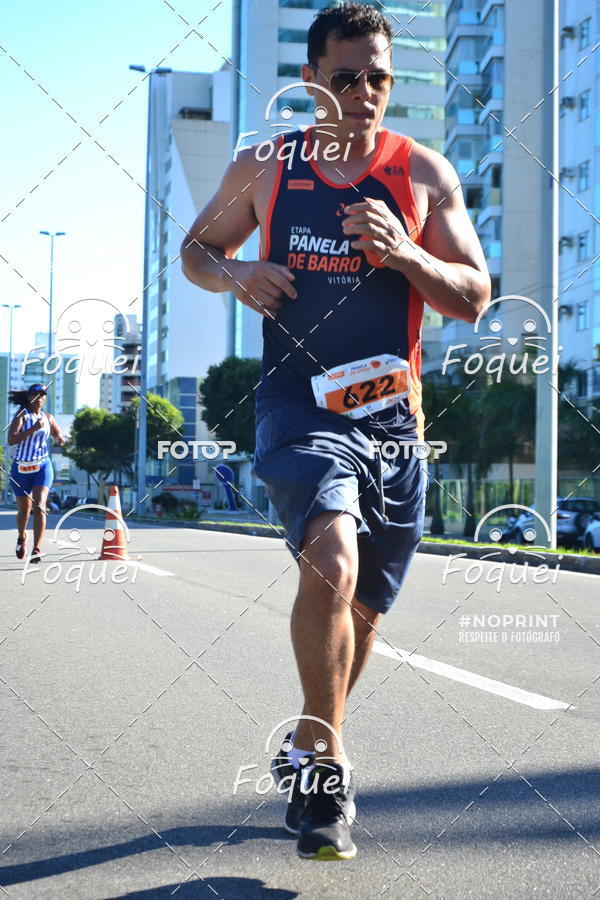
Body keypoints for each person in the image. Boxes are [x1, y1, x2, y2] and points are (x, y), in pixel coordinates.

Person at [181, 2, 490, 860]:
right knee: (332, 557)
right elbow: (196, 252)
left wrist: (405, 253)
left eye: (378, 77)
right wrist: (238, 272)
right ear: (311, 79)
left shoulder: (422, 173)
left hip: (393, 419)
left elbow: (474, 296)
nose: (364, 93)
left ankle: (308, 740)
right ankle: (327, 772)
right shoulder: (266, 165)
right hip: (297, 403)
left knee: (364, 608)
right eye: (345, 77)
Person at [7, 384, 65, 562]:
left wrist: (60, 438)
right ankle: (21, 537)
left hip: (42, 466)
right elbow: (11, 439)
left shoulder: (48, 417)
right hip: (21, 468)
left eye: (43, 395)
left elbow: (56, 432)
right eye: (36, 394)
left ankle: (37, 549)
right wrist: (32, 429)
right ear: (29, 397)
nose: (40, 398)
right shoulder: (21, 416)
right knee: (24, 512)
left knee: (39, 506)